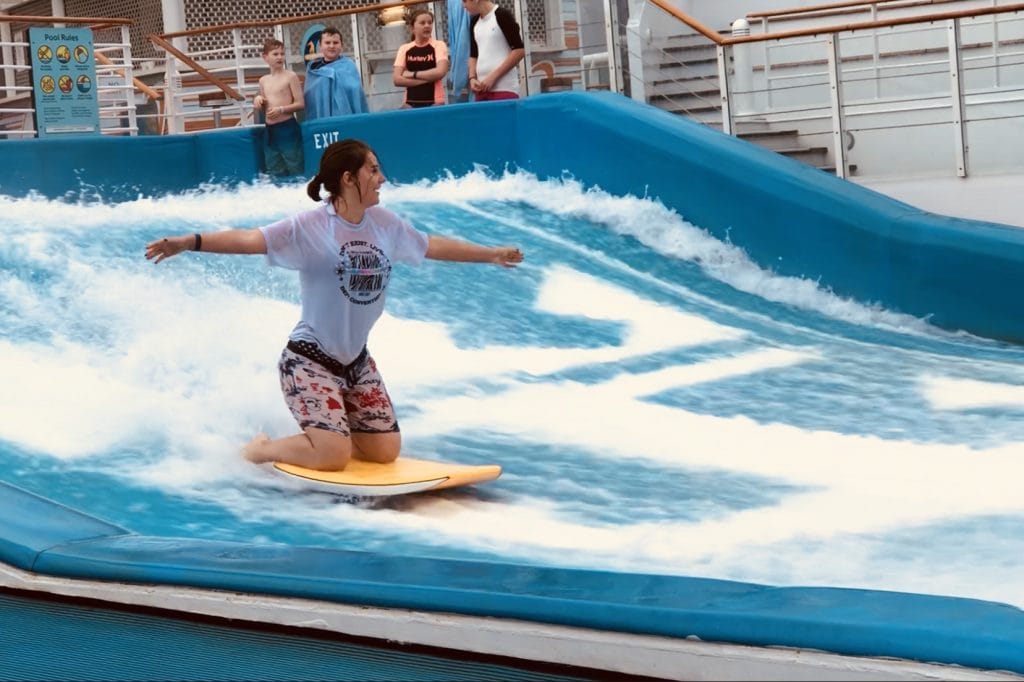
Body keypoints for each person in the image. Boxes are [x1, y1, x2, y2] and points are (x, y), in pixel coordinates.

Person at [144, 139, 524, 472]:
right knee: (333, 456)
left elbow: (432, 245)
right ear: (347, 177)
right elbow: (248, 239)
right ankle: (262, 450)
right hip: (308, 361)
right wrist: (189, 241)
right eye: (373, 170)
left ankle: (329, 431)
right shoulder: (308, 226)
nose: (382, 178)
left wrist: (490, 254)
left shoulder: (384, 224)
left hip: (356, 363)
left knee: (384, 452)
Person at [252, 38, 305, 176]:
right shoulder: (263, 80)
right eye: (275, 54)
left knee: (295, 166)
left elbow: (300, 103)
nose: (280, 57)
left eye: (282, 54)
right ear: (265, 57)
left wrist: (281, 109)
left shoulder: (290, 76)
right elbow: (265, 105)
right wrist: (258, 99)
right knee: (273, 168)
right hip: (270, 130)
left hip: (287, 128)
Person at [462, 0, 525, 101]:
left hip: (504, 88)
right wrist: (472, 77)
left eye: (465, 1)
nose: (463, 6)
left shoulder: (502, 15)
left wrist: (493, 77)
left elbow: (519, 51)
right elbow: (473, 55)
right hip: (482, 90)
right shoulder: (474, 22)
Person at [303, 26, 369, 120]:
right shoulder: (313, 70)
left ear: (341, 45)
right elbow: (310, 98)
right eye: (327, 42)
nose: (331, 46)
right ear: (320, 46)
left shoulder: (349, 66)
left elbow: (355, 93)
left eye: (335, 42)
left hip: (345, 120)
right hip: (321, 123)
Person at [392, 9, 450, 109]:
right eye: (422, 23)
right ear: (412, 28)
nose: (427, 25)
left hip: (435, 103)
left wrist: (411, 74)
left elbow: (440, 72)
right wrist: (430, 78)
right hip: (409, 104)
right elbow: (397, 80)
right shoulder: (404, 49)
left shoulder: (439, 45)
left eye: (430, 23)